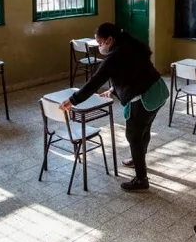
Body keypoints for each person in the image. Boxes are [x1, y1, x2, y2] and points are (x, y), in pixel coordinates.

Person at [60, 23, 169, 192]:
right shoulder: (129, 44)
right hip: (158, 90)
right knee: (143, 130)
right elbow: (133, 72)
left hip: (145, 97)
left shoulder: (115, 55)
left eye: (100, 42)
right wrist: (113, 89)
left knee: (133, 135)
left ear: (110, 40)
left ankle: (141, 179)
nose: (99, 46)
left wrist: (72, 100)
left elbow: (95, 81)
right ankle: (138, 158)